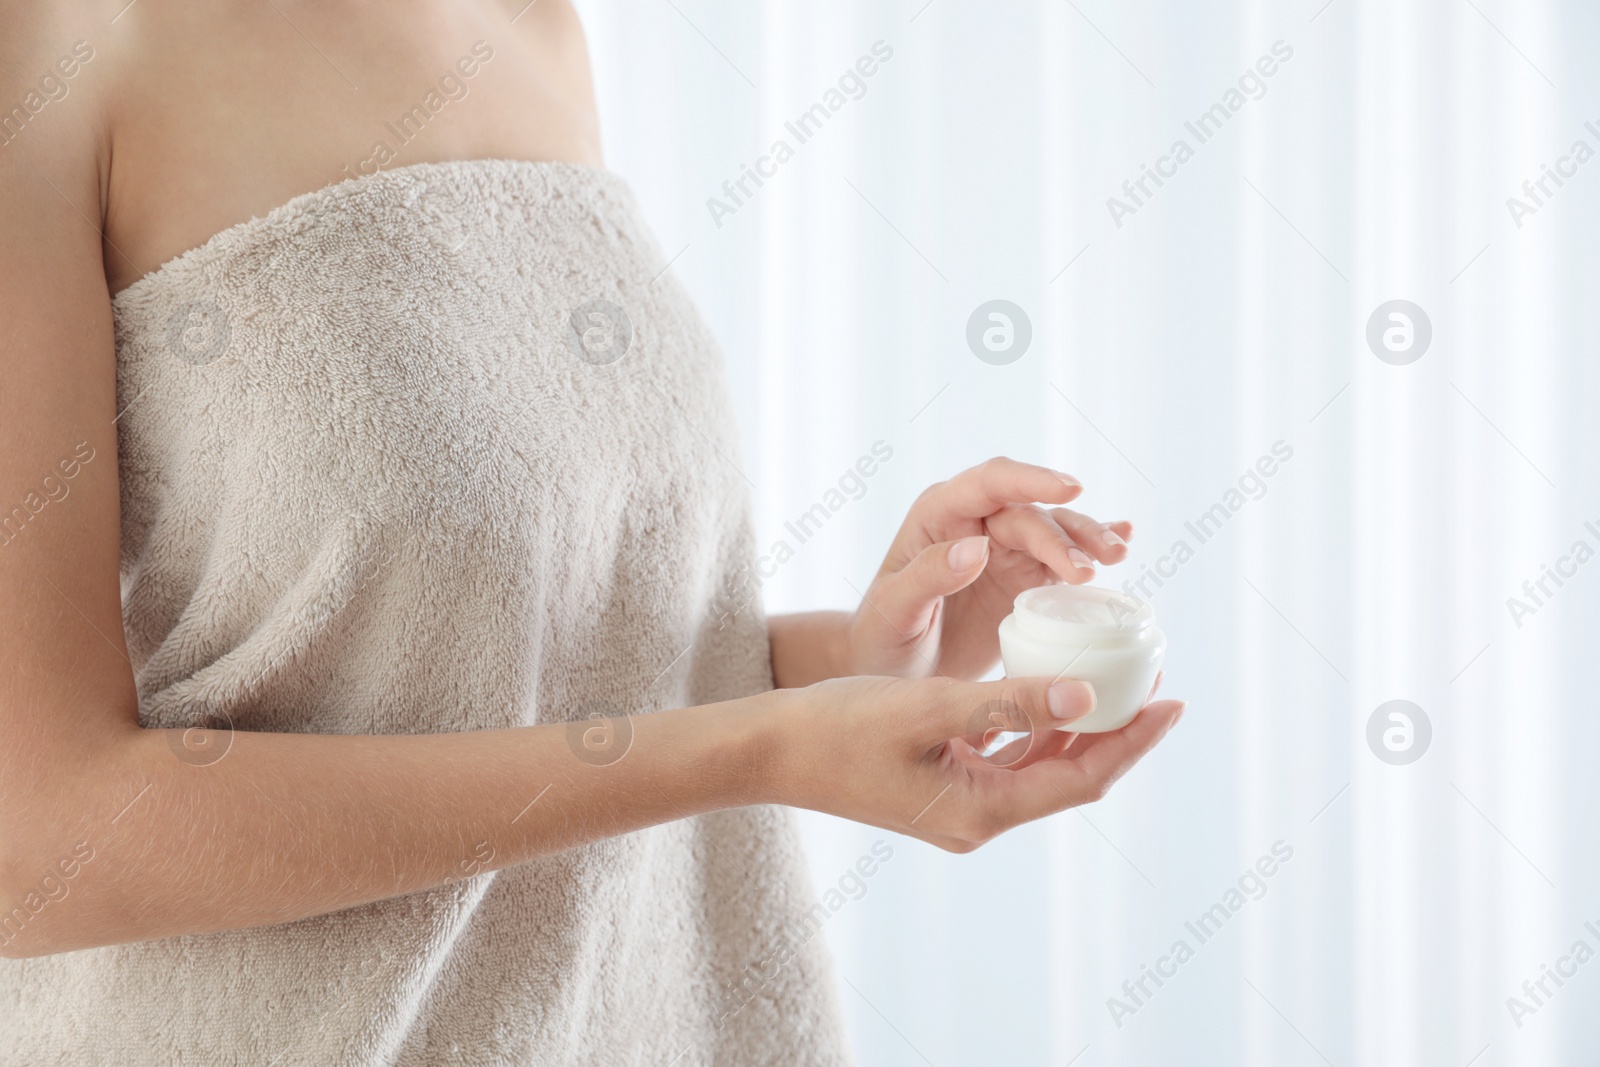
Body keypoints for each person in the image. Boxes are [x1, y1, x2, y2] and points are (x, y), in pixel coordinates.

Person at [0, 1, 1183, 1062]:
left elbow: (534, 665)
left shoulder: (536, 34)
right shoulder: (51, 48)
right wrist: (761, 747)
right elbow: (38, 840)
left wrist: (887, 655)